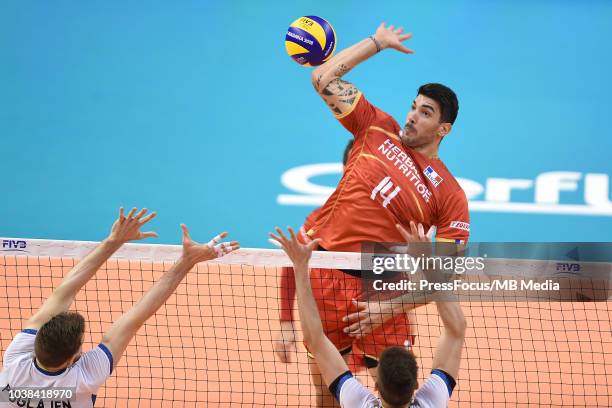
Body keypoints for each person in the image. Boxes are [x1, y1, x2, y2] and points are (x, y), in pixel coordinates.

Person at [303, 22, 470, 405]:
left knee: (398, 393)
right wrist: (375, 44)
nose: (412, 116)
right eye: (413, 107)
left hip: (385, 289)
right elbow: (323, 79)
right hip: (328, 274)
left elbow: (441, 279)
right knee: (326, 391)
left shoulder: (450, 195)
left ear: (443, 129)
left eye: (425, 113)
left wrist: (386, 310)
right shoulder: (377, 127)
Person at [0, 208, 239, 408]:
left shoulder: (15, 363)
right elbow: (135, 316)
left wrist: (112, 241)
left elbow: (62, 293)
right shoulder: (85, 377)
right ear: (74, 357)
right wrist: (186, 262)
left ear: (36, 339)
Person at [270, 224, 466, 407]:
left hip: (376, 290)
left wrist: (300, 267)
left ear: (376, 387)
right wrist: (426, 259)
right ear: (415, 385)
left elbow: (315, 339)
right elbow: (456, 329)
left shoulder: (358, 403)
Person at [274, 139, 354, 364]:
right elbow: (294, 260)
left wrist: (391, 308)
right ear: (346, 171)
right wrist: (286, 321)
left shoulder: (397, 222)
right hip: (330, 319)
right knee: (327, 397)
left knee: (395, 395)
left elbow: (427, 279)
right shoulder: (321, 220)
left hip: (381, 317)